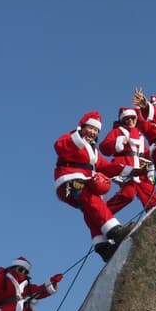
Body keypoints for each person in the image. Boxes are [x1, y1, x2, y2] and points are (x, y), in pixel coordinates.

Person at [53, 112, 132, 261]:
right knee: (92, 200)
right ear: (82, 127)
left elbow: (106, 166)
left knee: (90, 210)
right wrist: (77, 138)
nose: (93, 132)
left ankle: (102, 247)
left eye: (96, 130)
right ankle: (115, 231)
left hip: (84, 181)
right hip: (70, 181)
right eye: (90, 128)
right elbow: (59, 146)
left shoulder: (93, 151)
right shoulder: (71, 139)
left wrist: (131, 170)